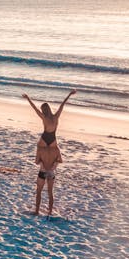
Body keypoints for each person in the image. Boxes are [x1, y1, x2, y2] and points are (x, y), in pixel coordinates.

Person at [22, 89, 77, 217]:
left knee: (39, 148)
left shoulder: (44, 117)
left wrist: (28, 98)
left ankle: (36, 211)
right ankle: (50, 211)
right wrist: (69, 94)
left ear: (44, 110)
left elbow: (34, 109)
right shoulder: (56, 116)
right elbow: (62, 105)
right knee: (56, 152)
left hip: (45, 136)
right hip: (52, 138)